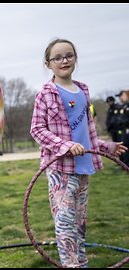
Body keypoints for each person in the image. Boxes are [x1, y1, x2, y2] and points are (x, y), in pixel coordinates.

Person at [30, 38, 127, 268]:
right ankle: (72, 266)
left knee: (79, 222)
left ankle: (80, 263)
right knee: (64, 222)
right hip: (60, 169)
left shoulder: (83, 90)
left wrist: (107, 146)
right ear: (48, 64)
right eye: (58, 57)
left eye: (69, 55)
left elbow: (87, 133)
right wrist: (64, 146)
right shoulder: (46, 94)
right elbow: (36, 129)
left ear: (75, 59)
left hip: (83, 166)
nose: (64, 60)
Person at [115, 90, 129, 167]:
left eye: (122, 96)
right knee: (124, 147)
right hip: (123, 130)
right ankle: (125, 165)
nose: (121, 98)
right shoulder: (123, 106)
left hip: (127, 130)